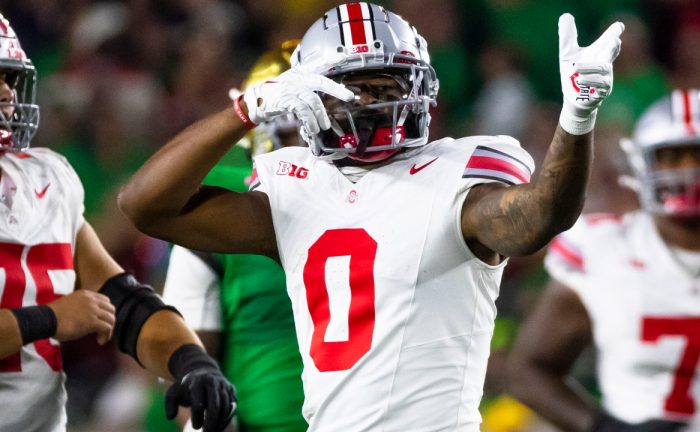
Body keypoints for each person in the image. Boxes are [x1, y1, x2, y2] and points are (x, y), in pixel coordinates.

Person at [118, 3, 623, 430]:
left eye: (387, 86)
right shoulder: (295, 188)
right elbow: (145, 206)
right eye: (351, 90)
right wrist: (247, 110)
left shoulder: (454, 175)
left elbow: (539, 217)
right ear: (309, 102)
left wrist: (576, 118)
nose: (374, 104)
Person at [0, 14, 235, 432]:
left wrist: (190, 361)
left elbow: (120, 301)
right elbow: (71, 312)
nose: (6, 93)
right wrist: (49, 319)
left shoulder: (45, 178)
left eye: (8, 79)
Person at [507, 89, 700, 431]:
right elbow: (528, 370)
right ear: (641, 162)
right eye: (672, 157)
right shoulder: (603, 247)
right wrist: (604, 426)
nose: (688, 172)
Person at [162, 40, 307, 432]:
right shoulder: (226, 203)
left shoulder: (383, 196)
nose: (315, 145)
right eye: (301, 128)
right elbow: (193, 370)